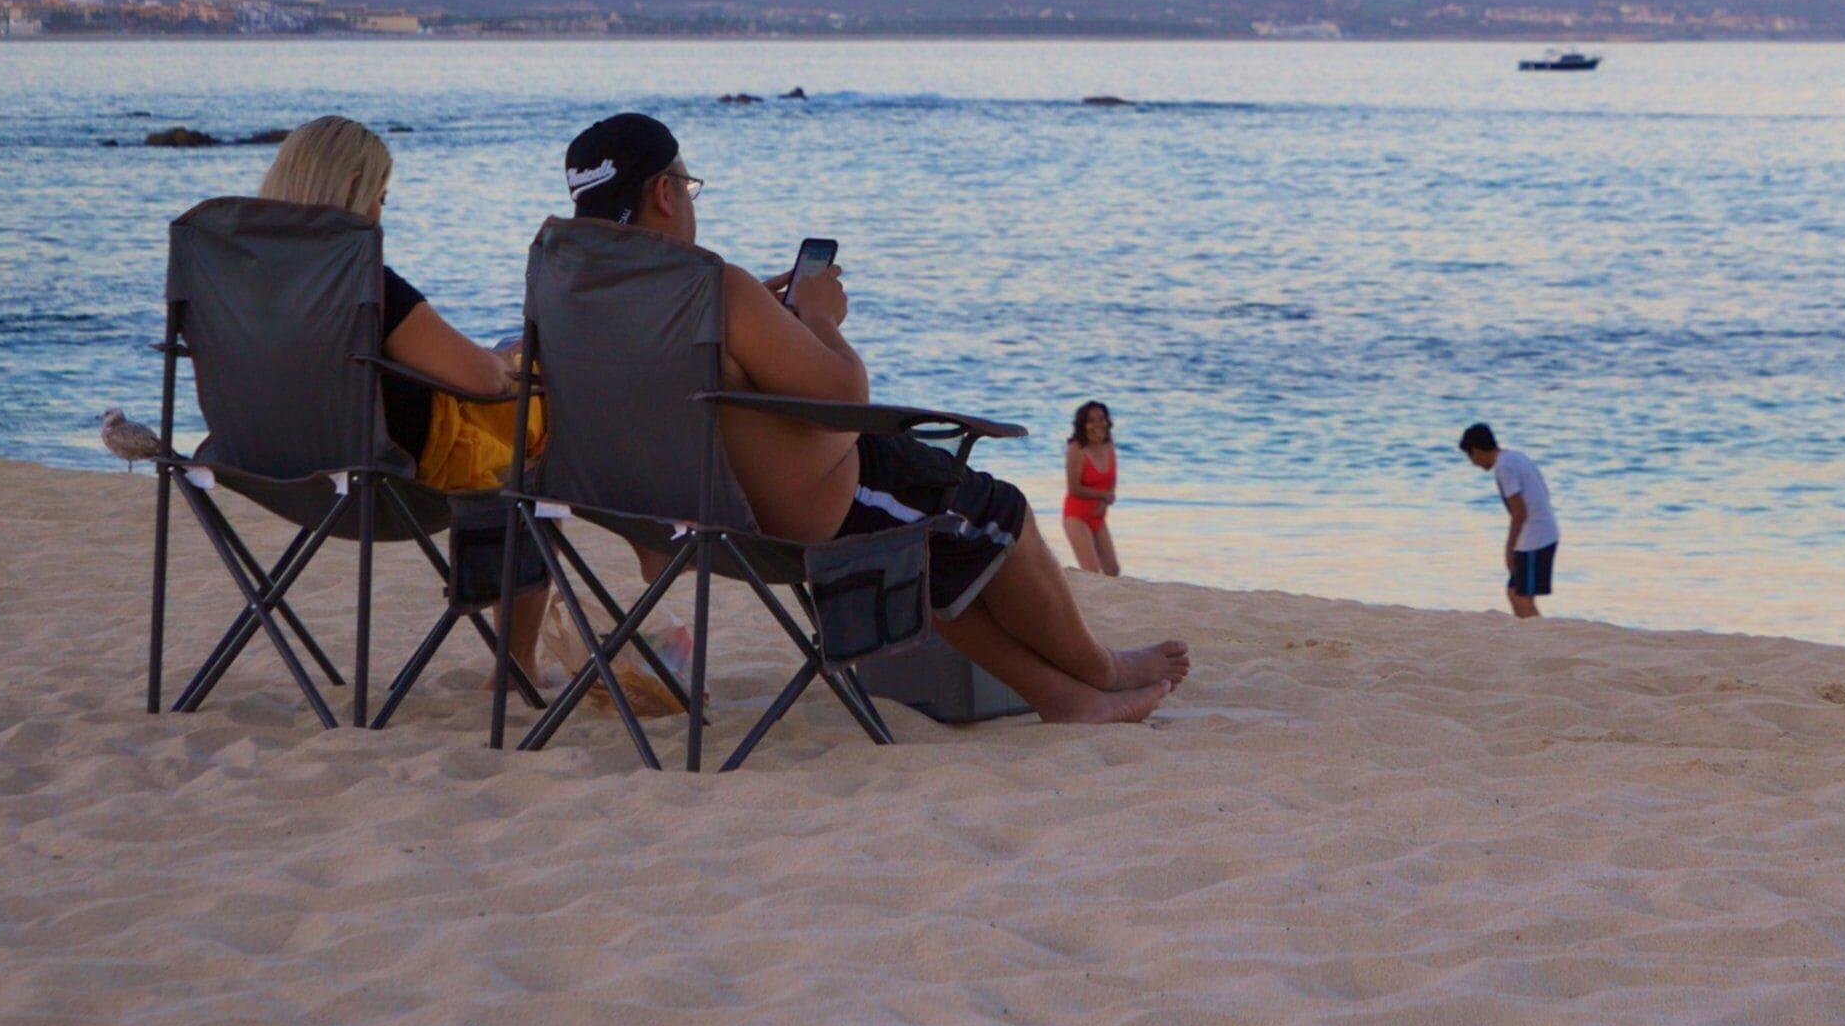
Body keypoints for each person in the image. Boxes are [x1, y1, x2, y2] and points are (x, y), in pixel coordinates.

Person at [562, 112, 1186, 723]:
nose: (692, 200)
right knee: (994, 512)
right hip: (784, 520)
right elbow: (846, 399)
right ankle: (1100, 669)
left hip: (662, 519)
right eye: (689, 184)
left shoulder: (571, 293)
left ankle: (1062, 695)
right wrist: (817, 318)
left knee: (926, 539)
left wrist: (766, 318)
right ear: (663, 193)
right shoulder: (714, 289)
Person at [252, 118, 558, 692]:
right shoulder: (367, 284)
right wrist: (511, 365)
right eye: (380, 197)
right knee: (539, 422)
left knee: (513, 369)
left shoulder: (245, 281)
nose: (379, 215)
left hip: (272, 469)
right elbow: (481, 382)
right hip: (395, 475)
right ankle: (514, 666)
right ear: (351, 190)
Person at [1459, 422, 1558, 617]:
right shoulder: (1516, 456)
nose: (1473, 463)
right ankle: (1532, 636)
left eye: (1470, 456)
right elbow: (1543, 491)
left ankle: (1538, 637)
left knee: (1519, 595)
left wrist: (1509, 548)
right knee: (1518, 593)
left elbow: (1519, 511)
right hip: (1545, 531)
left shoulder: (1504, 467)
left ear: (1477, 451)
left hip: (1535, 537)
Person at [1060, 399, 1122, 576]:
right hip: (1076, 516)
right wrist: (1103, 496)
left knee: (1112, 570)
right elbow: (1074, 489)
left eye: (1101, 419)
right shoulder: (1076, 449)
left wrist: (1106, 500)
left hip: (1098, 516)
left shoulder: (1108, 445)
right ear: (1083, 424)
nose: (1097, 425)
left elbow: (1111, 478)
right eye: (1091, 421)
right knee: (1091, 571)